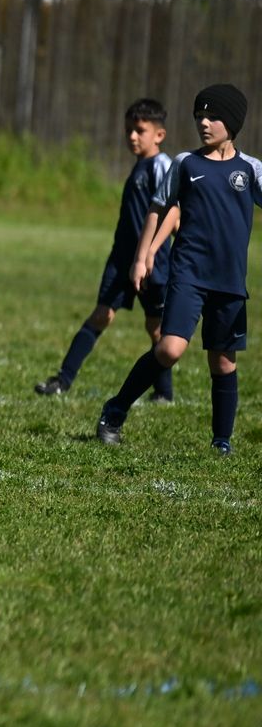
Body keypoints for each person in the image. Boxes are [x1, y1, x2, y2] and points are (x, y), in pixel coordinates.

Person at [97, 85, 262, 456]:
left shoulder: (250, 170)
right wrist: (143, 257)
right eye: (198, 116)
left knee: (223, 362)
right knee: (170, 349)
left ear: (232, 122)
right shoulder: (186, 163)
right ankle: (116, 409)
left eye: (212, 117)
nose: (203, 123)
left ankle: (222, 441)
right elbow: (158, 208)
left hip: (230, 280)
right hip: (188, 274)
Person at [35, 98, 173, 401]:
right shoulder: (139, 167)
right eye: (128, 131)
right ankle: (63, 380)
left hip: (153, 263)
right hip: (121, 258)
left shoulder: (161, 167)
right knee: (101, 315)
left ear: (159, 135)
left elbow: (173, 214)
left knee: (156, 328)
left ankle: (164, 392)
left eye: (139, 130)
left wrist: (154, 251)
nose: (132, 137)